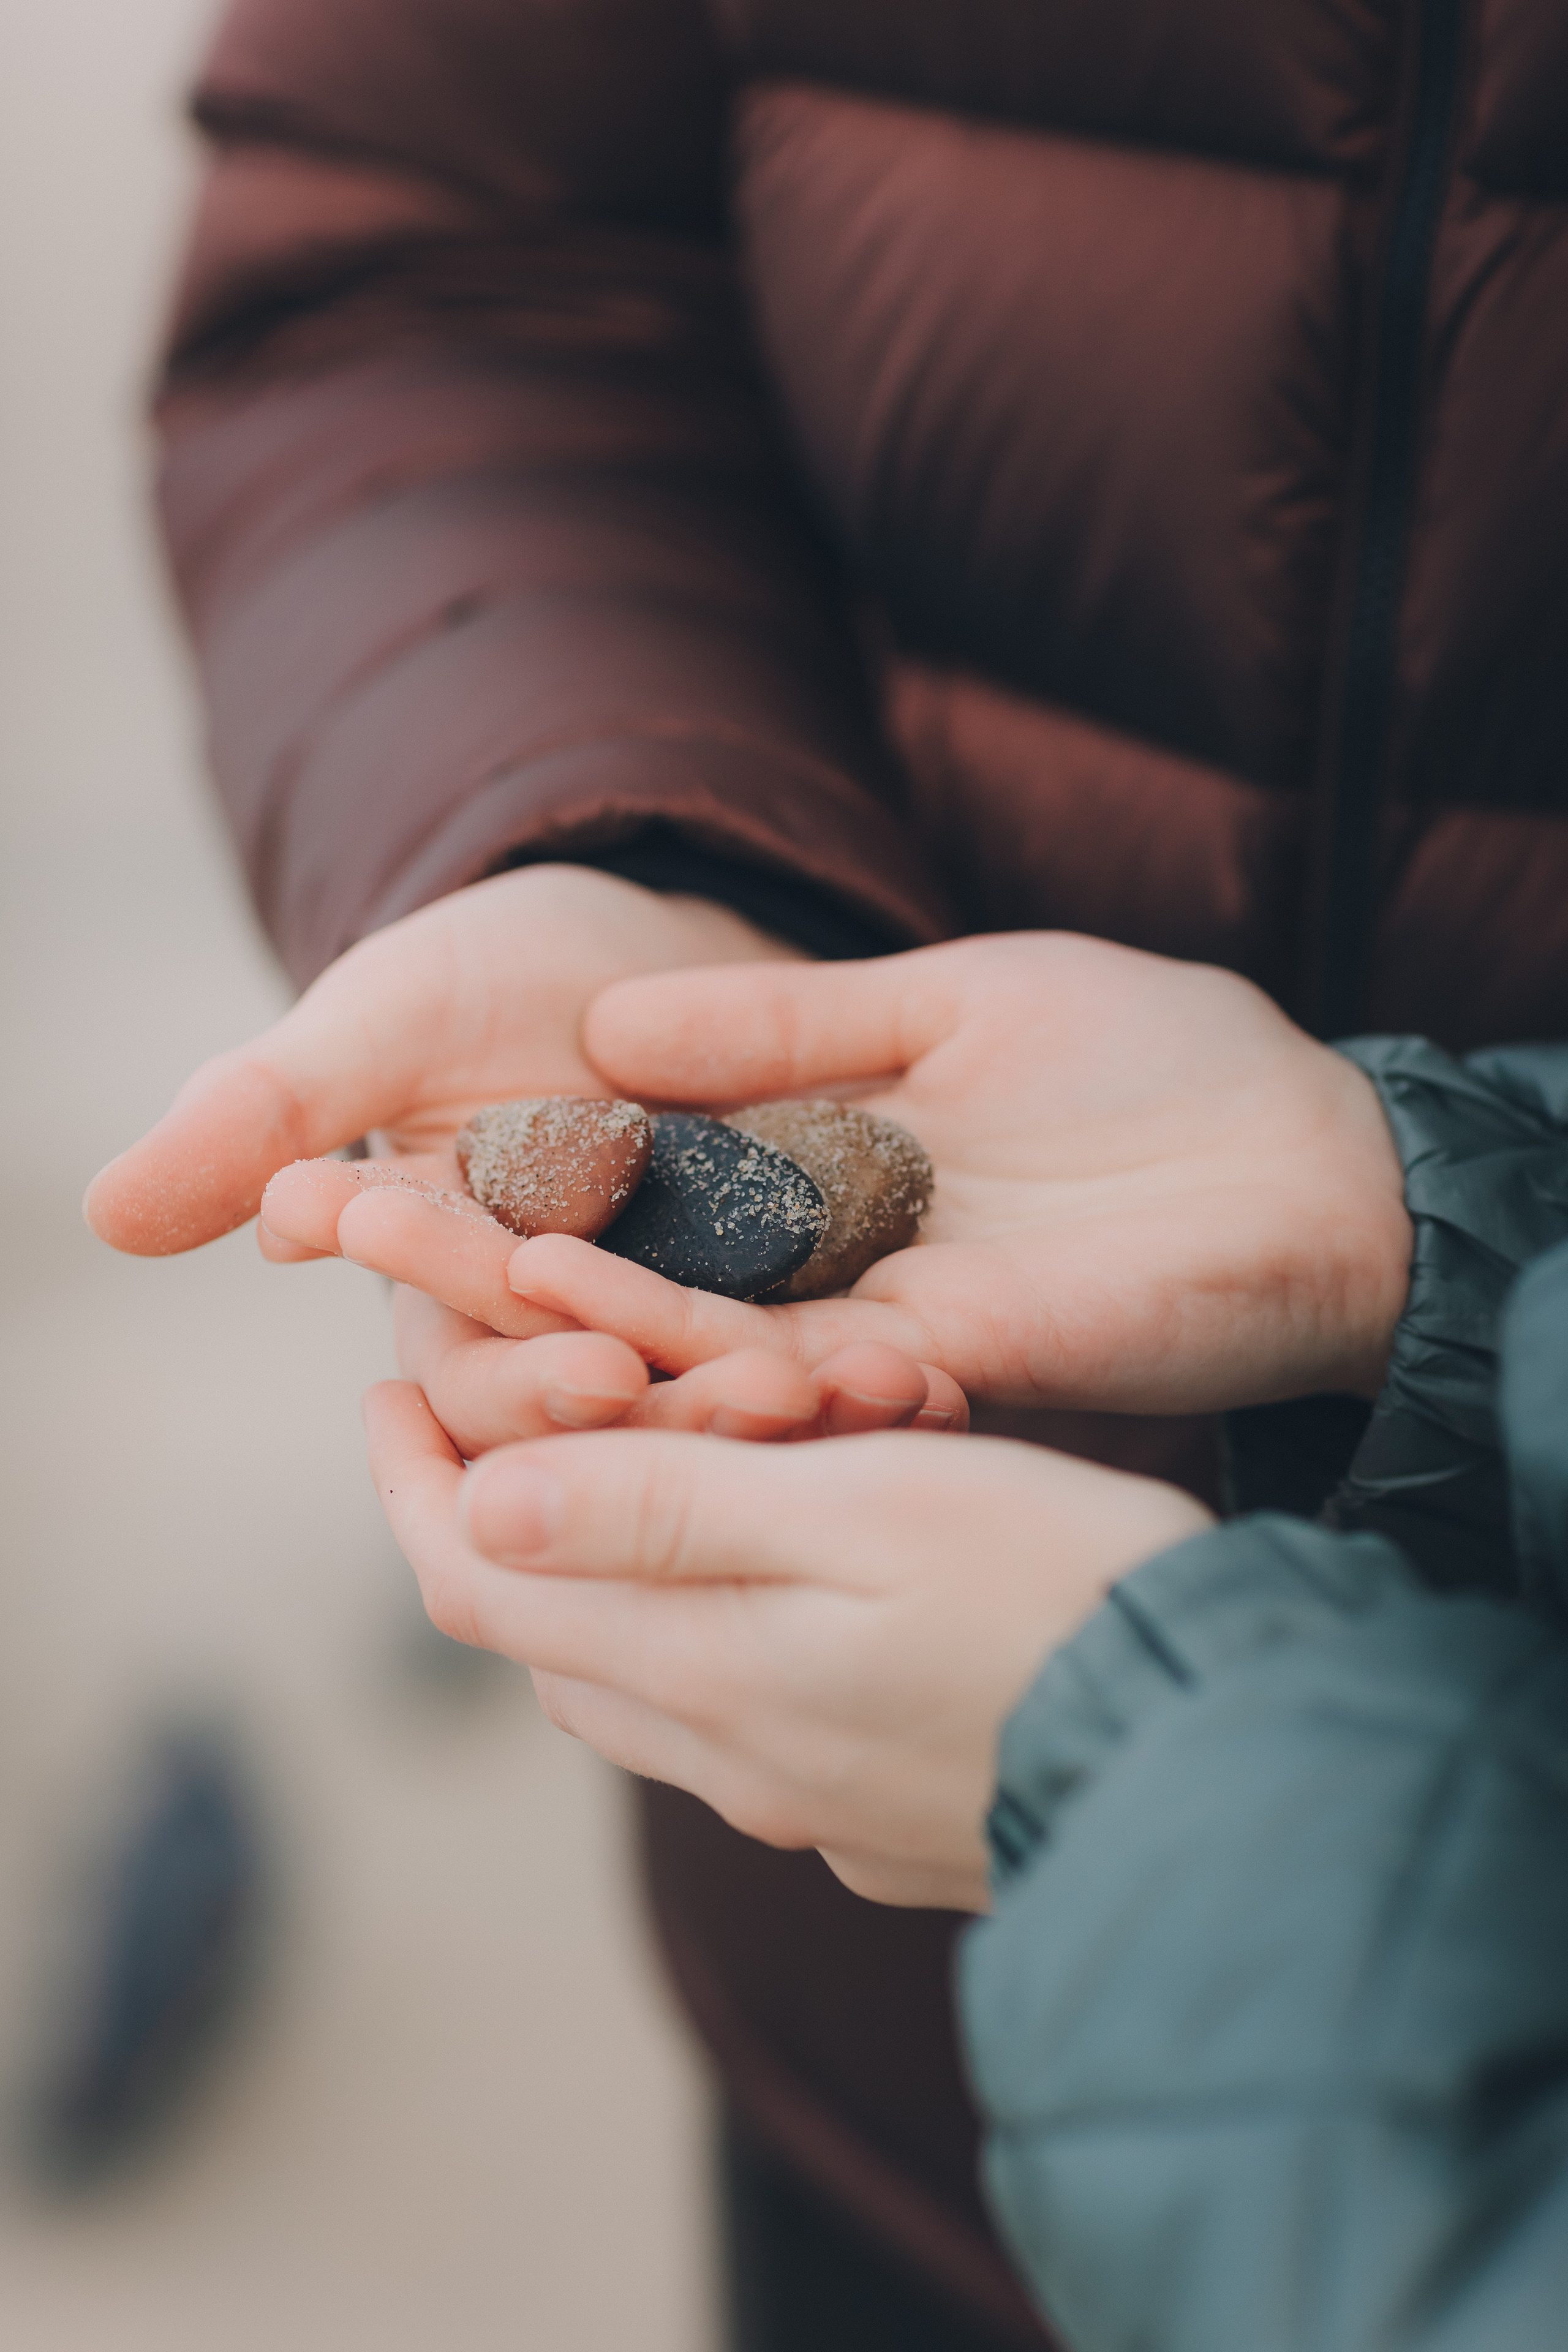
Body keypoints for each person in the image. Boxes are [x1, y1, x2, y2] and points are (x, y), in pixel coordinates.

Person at [89, 0, 1568, 2340]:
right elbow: (436, 249)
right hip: (881, 2004)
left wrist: (1155, 1775)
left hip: (1271, 1963)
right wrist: (597, 821)